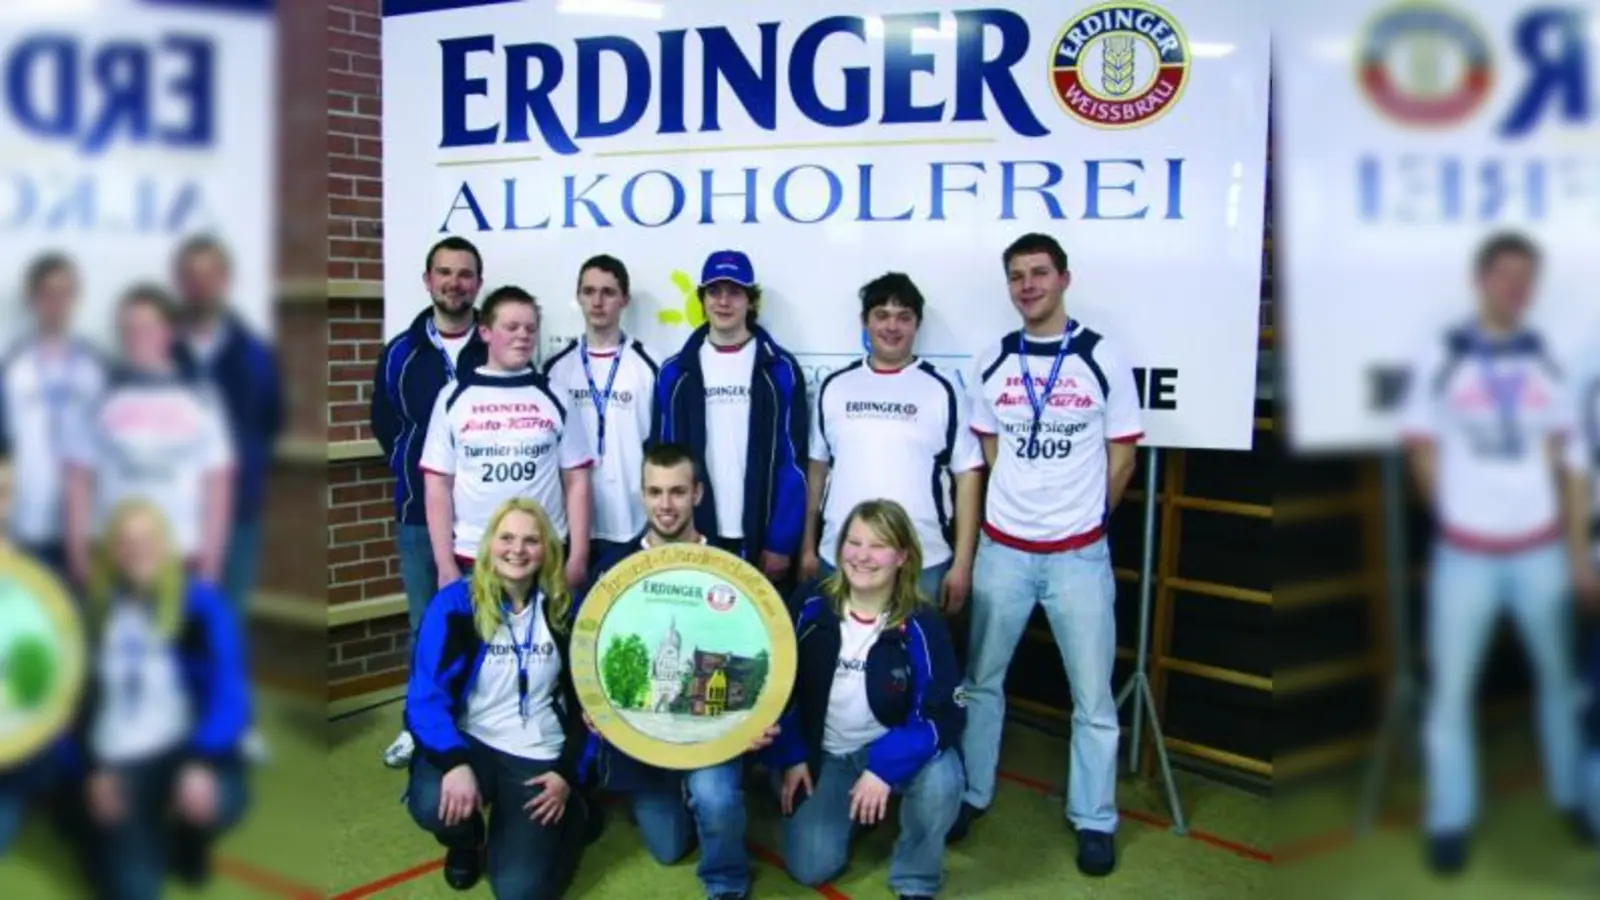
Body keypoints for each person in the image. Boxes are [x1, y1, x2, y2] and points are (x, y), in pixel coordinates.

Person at [1399, 231, 1594, 873]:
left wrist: (1576, 555)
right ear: (1481, 280)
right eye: (1505, 275)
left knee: (1561, 684)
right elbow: (1421, 445)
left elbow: (1572, 464)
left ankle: (1572, 796)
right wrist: (1455, 516)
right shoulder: (1443, 352)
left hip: (1541, 552)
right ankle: (1450, 816)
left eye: (1525, 278)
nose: (1516, 288)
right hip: (1467, 557)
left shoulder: (1547, 355)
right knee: (1451, 692)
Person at [951, 233, 1142, 877]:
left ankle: (1095, 818)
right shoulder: (993, 360)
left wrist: (1083, 519)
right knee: (980, 684)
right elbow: (990, 450)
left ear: (1065, 278)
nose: (1027, 285)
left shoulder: (1102, 357)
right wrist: (1022, 506)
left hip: (1078, 558)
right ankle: (971, 794)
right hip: (1004, 550)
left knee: (1092, 698)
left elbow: (1122, 458)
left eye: (1038, 273)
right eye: (1016, 276)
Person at [580, 442, 778, 900]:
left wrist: (764, 716)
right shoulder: (613, 570)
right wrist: (593, 707)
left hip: (714, 737)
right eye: (655, 492)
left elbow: (765, 653)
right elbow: (588, 653)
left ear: (698, 495)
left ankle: (727, 883)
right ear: (641, 495)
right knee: (668, 847)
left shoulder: (735, 570)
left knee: (716, 798)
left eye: (677, 492)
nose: (665, 505)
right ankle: (679, 796)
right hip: (642, 743)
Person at [767, 499, 965, 900]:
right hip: (832, 755)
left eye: (878, 546)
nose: (862, 556)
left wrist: (883, 768)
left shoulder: (922, 623)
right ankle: (857, 808)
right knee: (809, 866)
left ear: (902, 556)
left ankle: (915, 877)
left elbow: (943, 714)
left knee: (944, 777)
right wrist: (793, 755)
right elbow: (778, 687)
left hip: (889, 751)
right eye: (853, 542)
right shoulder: (810, 604)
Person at [403, 498, 595, 897]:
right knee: (429, 801)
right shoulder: (455, 605)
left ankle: (573, 810)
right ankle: (466, 841)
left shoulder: (567, 609)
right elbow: (424, 698)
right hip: (472, 741)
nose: (517, 549)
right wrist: (454, 762)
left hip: (539, 753)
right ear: (489, 544)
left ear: (547, 550)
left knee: (517, 892)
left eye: (531, 540)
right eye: (506, 537)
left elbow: (592, 706)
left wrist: (567, 772)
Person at [66, 499, 252, 899]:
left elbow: (229, 690)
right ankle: (104, 832)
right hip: (115, 762)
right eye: (126, 541)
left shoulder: (200, 606)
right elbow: (68, 708)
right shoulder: (89, 612)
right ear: (111, 551)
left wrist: (200, 761)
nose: (137, 550)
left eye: (148, 540)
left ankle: (187, 839)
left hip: (180, 749)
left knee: (226, 797)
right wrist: (91, 770)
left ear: (167, 547)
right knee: (133, 889)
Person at [799, 272, 983, 613]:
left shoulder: (944, 390)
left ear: (917, 324)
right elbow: (817, 470)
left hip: (922, 562)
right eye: (881, 315)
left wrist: (962, 563)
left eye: (904, 317)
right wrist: (808, 546)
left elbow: (968, 476)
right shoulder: (835, 386)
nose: (892, 327)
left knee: (918, 663)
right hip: (838, 557)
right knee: (833, 660)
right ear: (865, 322)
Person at [371, 235, 488, 769]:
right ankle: (418, 728)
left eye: (465, 274)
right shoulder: (400, 353)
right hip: (421, 512)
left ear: (477, 285)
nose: (454, 283)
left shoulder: (497, 344)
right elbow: (386, 425)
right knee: (427, 624)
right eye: (444, 273)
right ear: (427, 280)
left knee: (492, 623)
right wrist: (417, 472)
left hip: (489, 516)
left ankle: (482, 726)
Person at [650, 250, 807, 586]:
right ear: (703, 300)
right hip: (692, 533)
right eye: (714, 291)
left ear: (750, 301)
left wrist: (780, 541)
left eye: (734, 292)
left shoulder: (780, 369)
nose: (724, 301)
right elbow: (660, 464)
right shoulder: (674, 373)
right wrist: (668, 533)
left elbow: (792, 463)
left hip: (760, 539)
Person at [62, 286, 235, 591]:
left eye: (146, 328)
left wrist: (212, 563)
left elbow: (218, 485)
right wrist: (78, 556)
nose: (135, 336)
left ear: (168, 332)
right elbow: (78, 481)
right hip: (114, 556)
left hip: (182, 556)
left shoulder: (202, 400)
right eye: (127, 329)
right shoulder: (98, 400)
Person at [420, 286, 593, 589]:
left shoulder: (556, 395)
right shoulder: (453, 397)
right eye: (511, 327)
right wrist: (445, 564)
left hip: (545, 556)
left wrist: (578, 555)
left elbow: (577, 480)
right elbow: (437, 485)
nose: (523, 335)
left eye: (530, 328)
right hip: (475, 558)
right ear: (485, 332)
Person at [170, 235, 284, 615]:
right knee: (169, 623)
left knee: (224, 623)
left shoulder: (256, 356)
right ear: (180, 282)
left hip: (237, 514)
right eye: (191, 276)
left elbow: (271, 422)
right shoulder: (160, 352)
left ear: (225, 280)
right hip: (169, 514)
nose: (200, 285)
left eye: (209, 275)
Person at [543, 255, 658, 583]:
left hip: (632, 521)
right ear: (577, 296)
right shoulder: (556, 369)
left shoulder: (649, 365)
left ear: (625, 299)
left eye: (608, 292)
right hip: (569, 526)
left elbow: (661, 448)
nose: (597, 301)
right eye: (589, 291)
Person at [0, 252, 106, 577]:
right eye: (47, 293)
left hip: (90, 526)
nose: (56, 302)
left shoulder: (98, 366)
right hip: (27, 524)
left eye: (64, 292)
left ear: (75, 298)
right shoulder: (13, 367)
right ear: (32, 300)